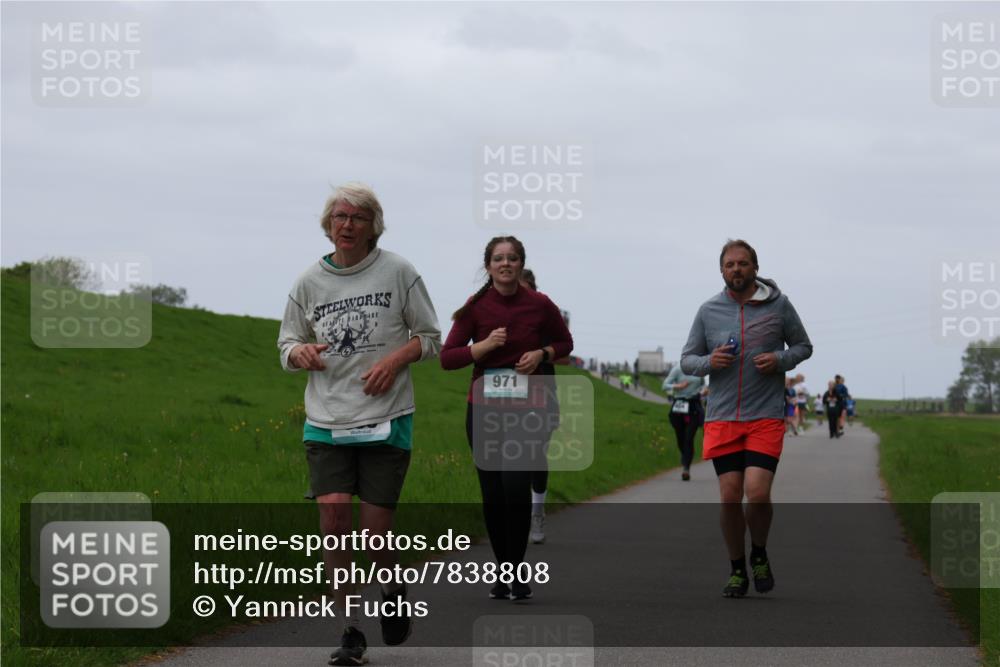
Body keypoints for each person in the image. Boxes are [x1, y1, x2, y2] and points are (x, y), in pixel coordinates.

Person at [277, 182, 441, 666]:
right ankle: (350, 631)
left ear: (374, 227)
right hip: (326, 419)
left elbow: (430, 337)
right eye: (339, 217)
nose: (347, 226)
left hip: (386, 419)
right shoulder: (308, 282)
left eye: (357, 218)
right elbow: (286, 344)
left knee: (373, 536)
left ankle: (392, 584)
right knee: (333, 522)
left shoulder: (398, 272)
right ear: (328, 225)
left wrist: (394, 361)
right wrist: (298, 353)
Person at [441, 237, 573, 601]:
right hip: (483, 411)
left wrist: (541, 353)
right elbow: (448, 357)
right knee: (493, 494)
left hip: (527, 410)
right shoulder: (476, 307)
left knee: (515, 488)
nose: (505, 264)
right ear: (488, 266)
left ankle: (516, 570)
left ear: (520, 264)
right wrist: (481, 348)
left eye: (512, 258)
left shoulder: (540, 305)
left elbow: (565, 343)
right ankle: (503, 570)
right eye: (498, 259)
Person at [681, 239, 812, 598]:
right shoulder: (708, 310)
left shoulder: (779, 306)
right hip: (723, 417)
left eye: (742, 263)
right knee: (728, 496)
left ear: (755, 267)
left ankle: (759, 552)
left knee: (756, 493)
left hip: (764, 416)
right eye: (729, 265)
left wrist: (779, 359)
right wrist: (711, 362)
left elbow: (803, 346)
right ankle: (737, 568)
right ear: (721, 271)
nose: (736, 269)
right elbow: (687, 359)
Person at [519, 268, 567, 545]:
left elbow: (565, 357)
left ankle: (536, 511)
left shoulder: (545, 315)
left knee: (536, 455)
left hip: (542, 397)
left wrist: (539, 355)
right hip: (505, 398)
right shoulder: (500, 315)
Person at [662, 363, 705, 481]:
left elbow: (703, 386)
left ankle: (686, 468)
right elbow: (664, 386)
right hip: (679, 404)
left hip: (694, 406)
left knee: (689, 438)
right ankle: (685, 456)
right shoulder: (677, 370)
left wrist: (704, 391)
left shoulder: (699, 370)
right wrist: (678, 386)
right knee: (680, 438)